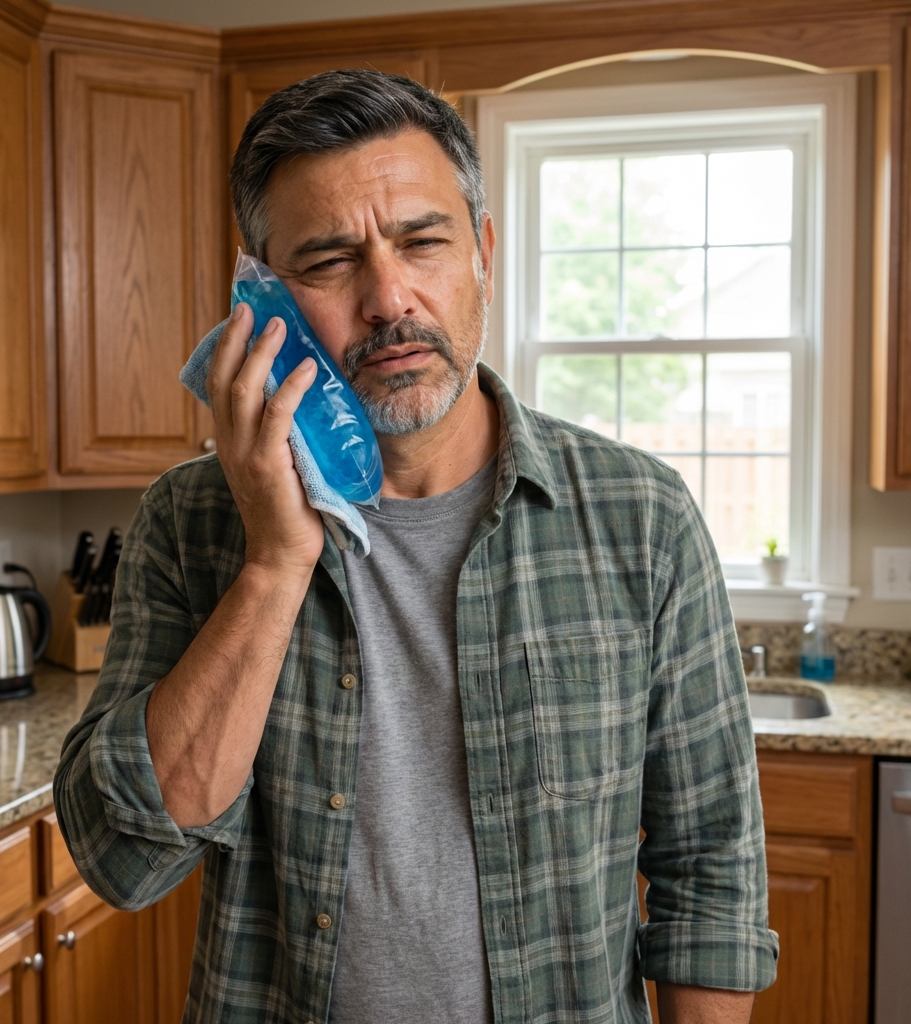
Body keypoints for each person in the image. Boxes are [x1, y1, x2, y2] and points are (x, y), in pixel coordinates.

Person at [54, 69, 778, 1024]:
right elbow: (127, 857)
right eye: (328, 261)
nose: (389, 297)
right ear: (264, 295)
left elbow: (712, 876)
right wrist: (275, 561)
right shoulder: (193, 523)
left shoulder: (642, 516)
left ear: (481, 249)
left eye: (422, 241)